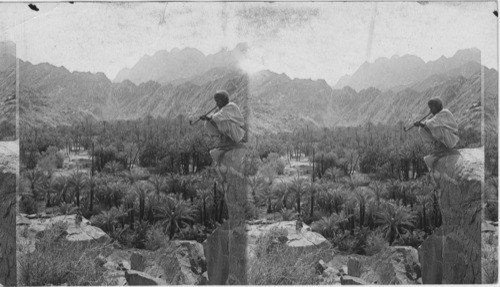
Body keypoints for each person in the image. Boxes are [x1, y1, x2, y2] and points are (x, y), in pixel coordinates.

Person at [200, 90, 246, 163]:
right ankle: (222, 138)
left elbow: (220, 116)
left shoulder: (231, 106)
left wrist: (208, 117)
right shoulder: (221, 109)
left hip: (237, 132)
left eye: (218, 101)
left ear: (224, 100)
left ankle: (231, 141)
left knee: (224, 122)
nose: (217, 103)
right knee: (208, 123)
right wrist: (207, 118)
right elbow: (215, 116)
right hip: (230, 132)